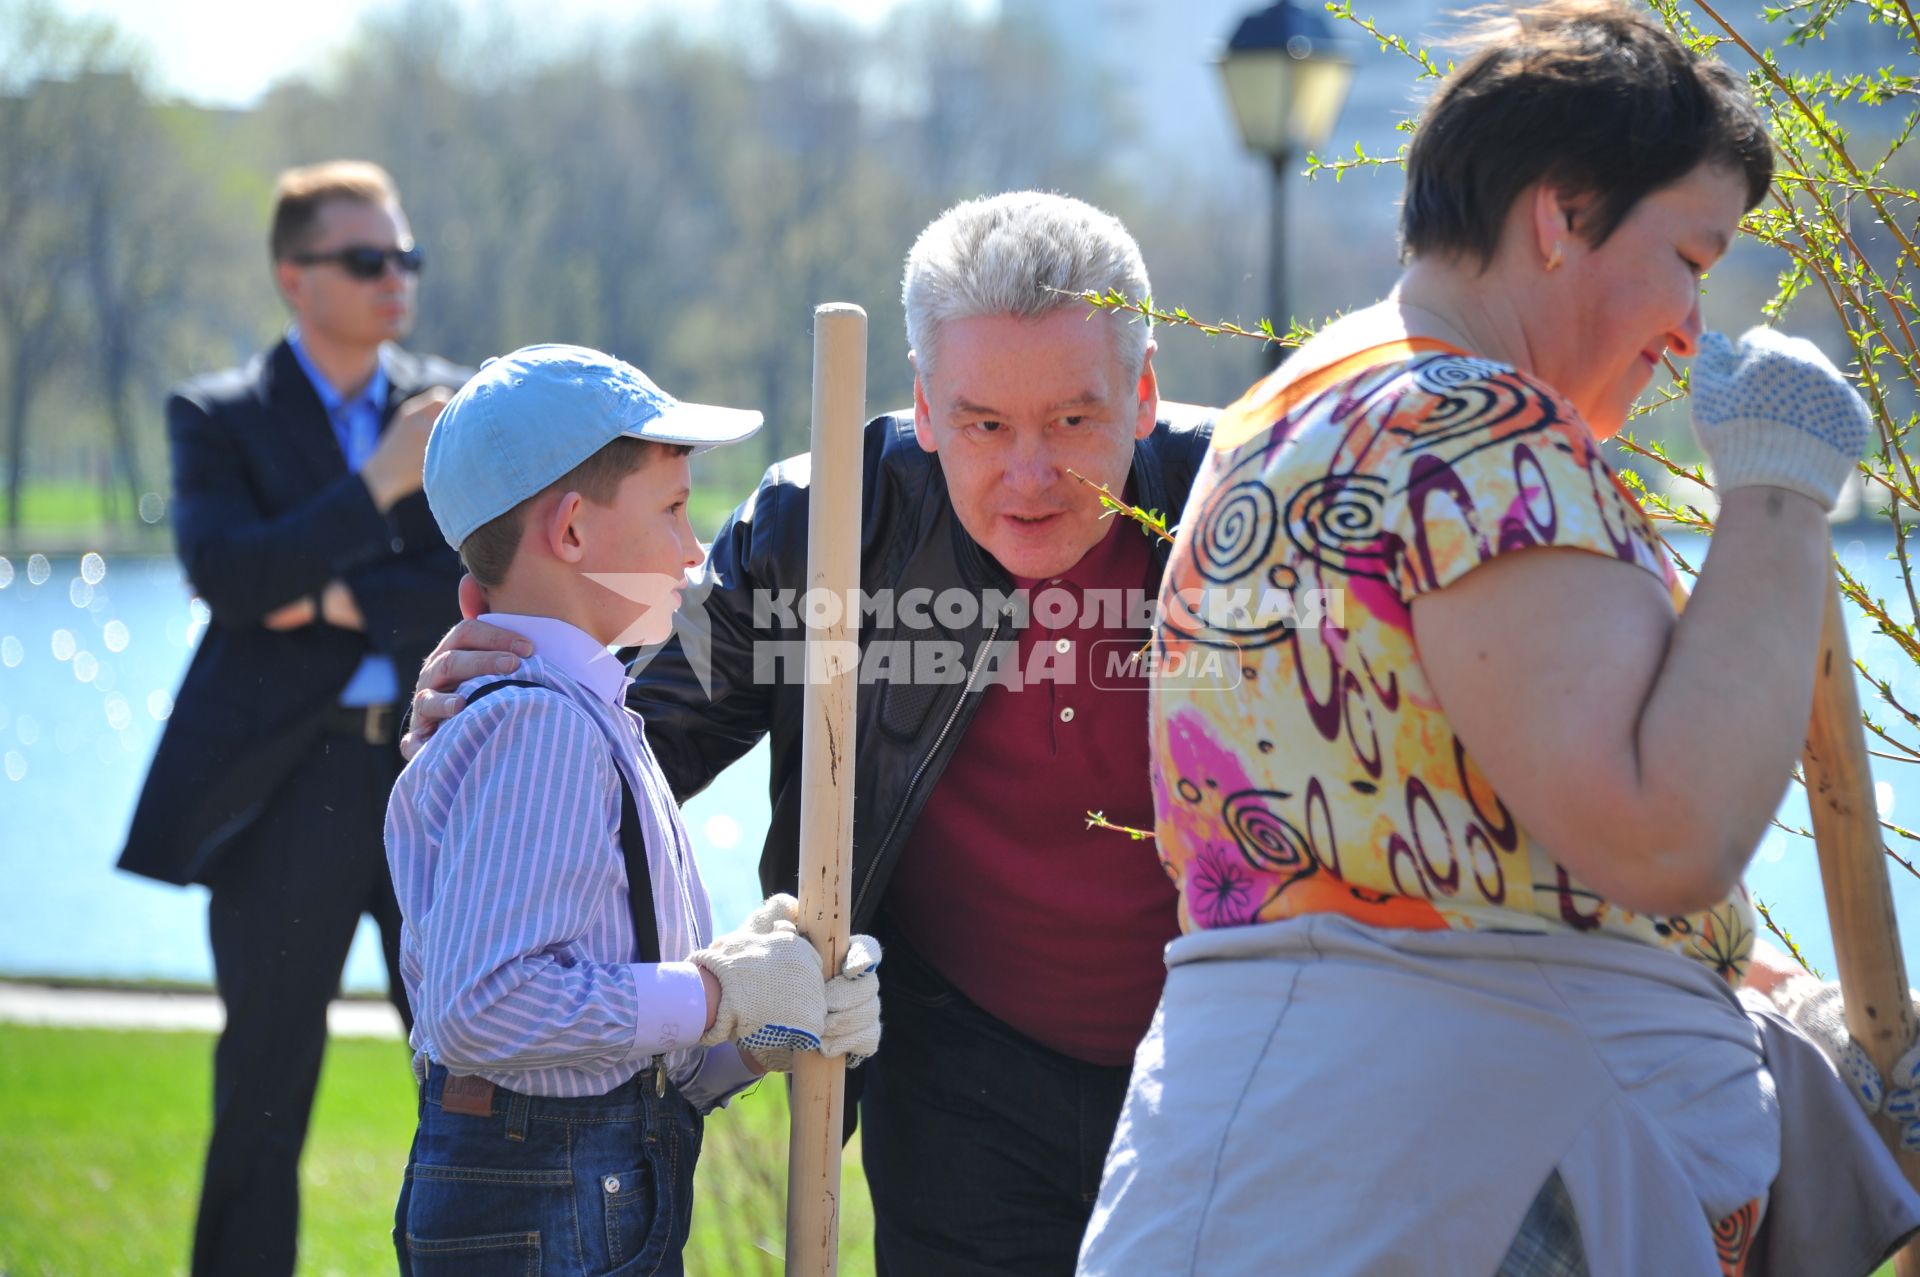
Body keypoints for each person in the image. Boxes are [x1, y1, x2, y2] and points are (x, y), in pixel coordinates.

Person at [1076, 4, 1920, 1274]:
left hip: (1243, 1155)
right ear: (1563, 211)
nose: (1697, 321)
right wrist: (1782, 498)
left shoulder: (1281, 413)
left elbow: (1480, 857)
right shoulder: (1476, 427)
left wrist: (1777, 1005)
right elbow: (1662, 831)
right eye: (1692, 256)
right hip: (1458, 1180)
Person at [405, 191, 1216, 1275]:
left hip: (1216, 1064)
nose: (1030, 474)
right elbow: (625, 736)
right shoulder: (826, 525)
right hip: (960, 1078)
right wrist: (507, 691)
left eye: (1073, 420)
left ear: (1143, 391)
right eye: (983, 423)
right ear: (924, 407)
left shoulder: (1250, 507)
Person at [388, 343, 882, 1275]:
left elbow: (621, 1041)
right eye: (673, 511)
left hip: (589, 1186)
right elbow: (480, 1007)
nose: (698, 553)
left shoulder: (591, 718)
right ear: (572, 531)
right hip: (546, 1199)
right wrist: (715, 992)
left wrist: (767, 1023)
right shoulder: (541, 729)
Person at [118, 160, 471, 1277]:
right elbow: (228, 574)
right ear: (294, 276)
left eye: (403, 256)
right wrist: (375, 486)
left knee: (475, 1076)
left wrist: (318, 592)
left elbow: (475, 585)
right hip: (286, 793)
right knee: (264, 1091)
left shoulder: (455, 408)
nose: (393, 279)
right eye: (366, 259)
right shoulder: (217, 416)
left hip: (435, 783)